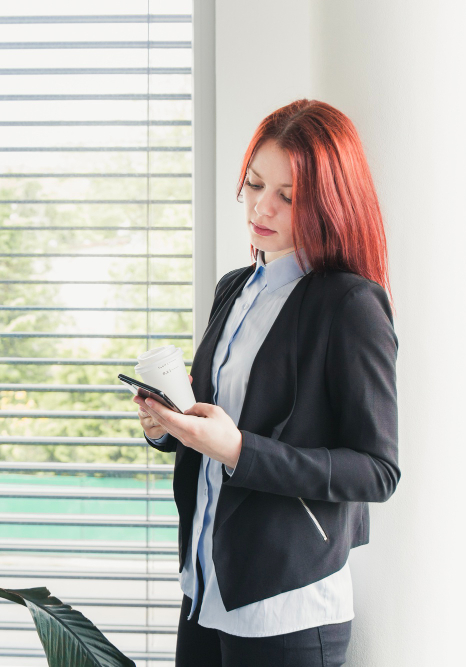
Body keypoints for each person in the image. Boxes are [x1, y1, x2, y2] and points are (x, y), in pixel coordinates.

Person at [134, 99, 399, 667]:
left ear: (329, 203)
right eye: (254, 184)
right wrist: (167, 427)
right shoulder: (234, 288)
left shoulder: (350, 304)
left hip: (287, 609)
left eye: (288, 195)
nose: (261, 206)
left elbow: (377, 471)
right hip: (204, 588)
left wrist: (238, 450)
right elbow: (217, 421)